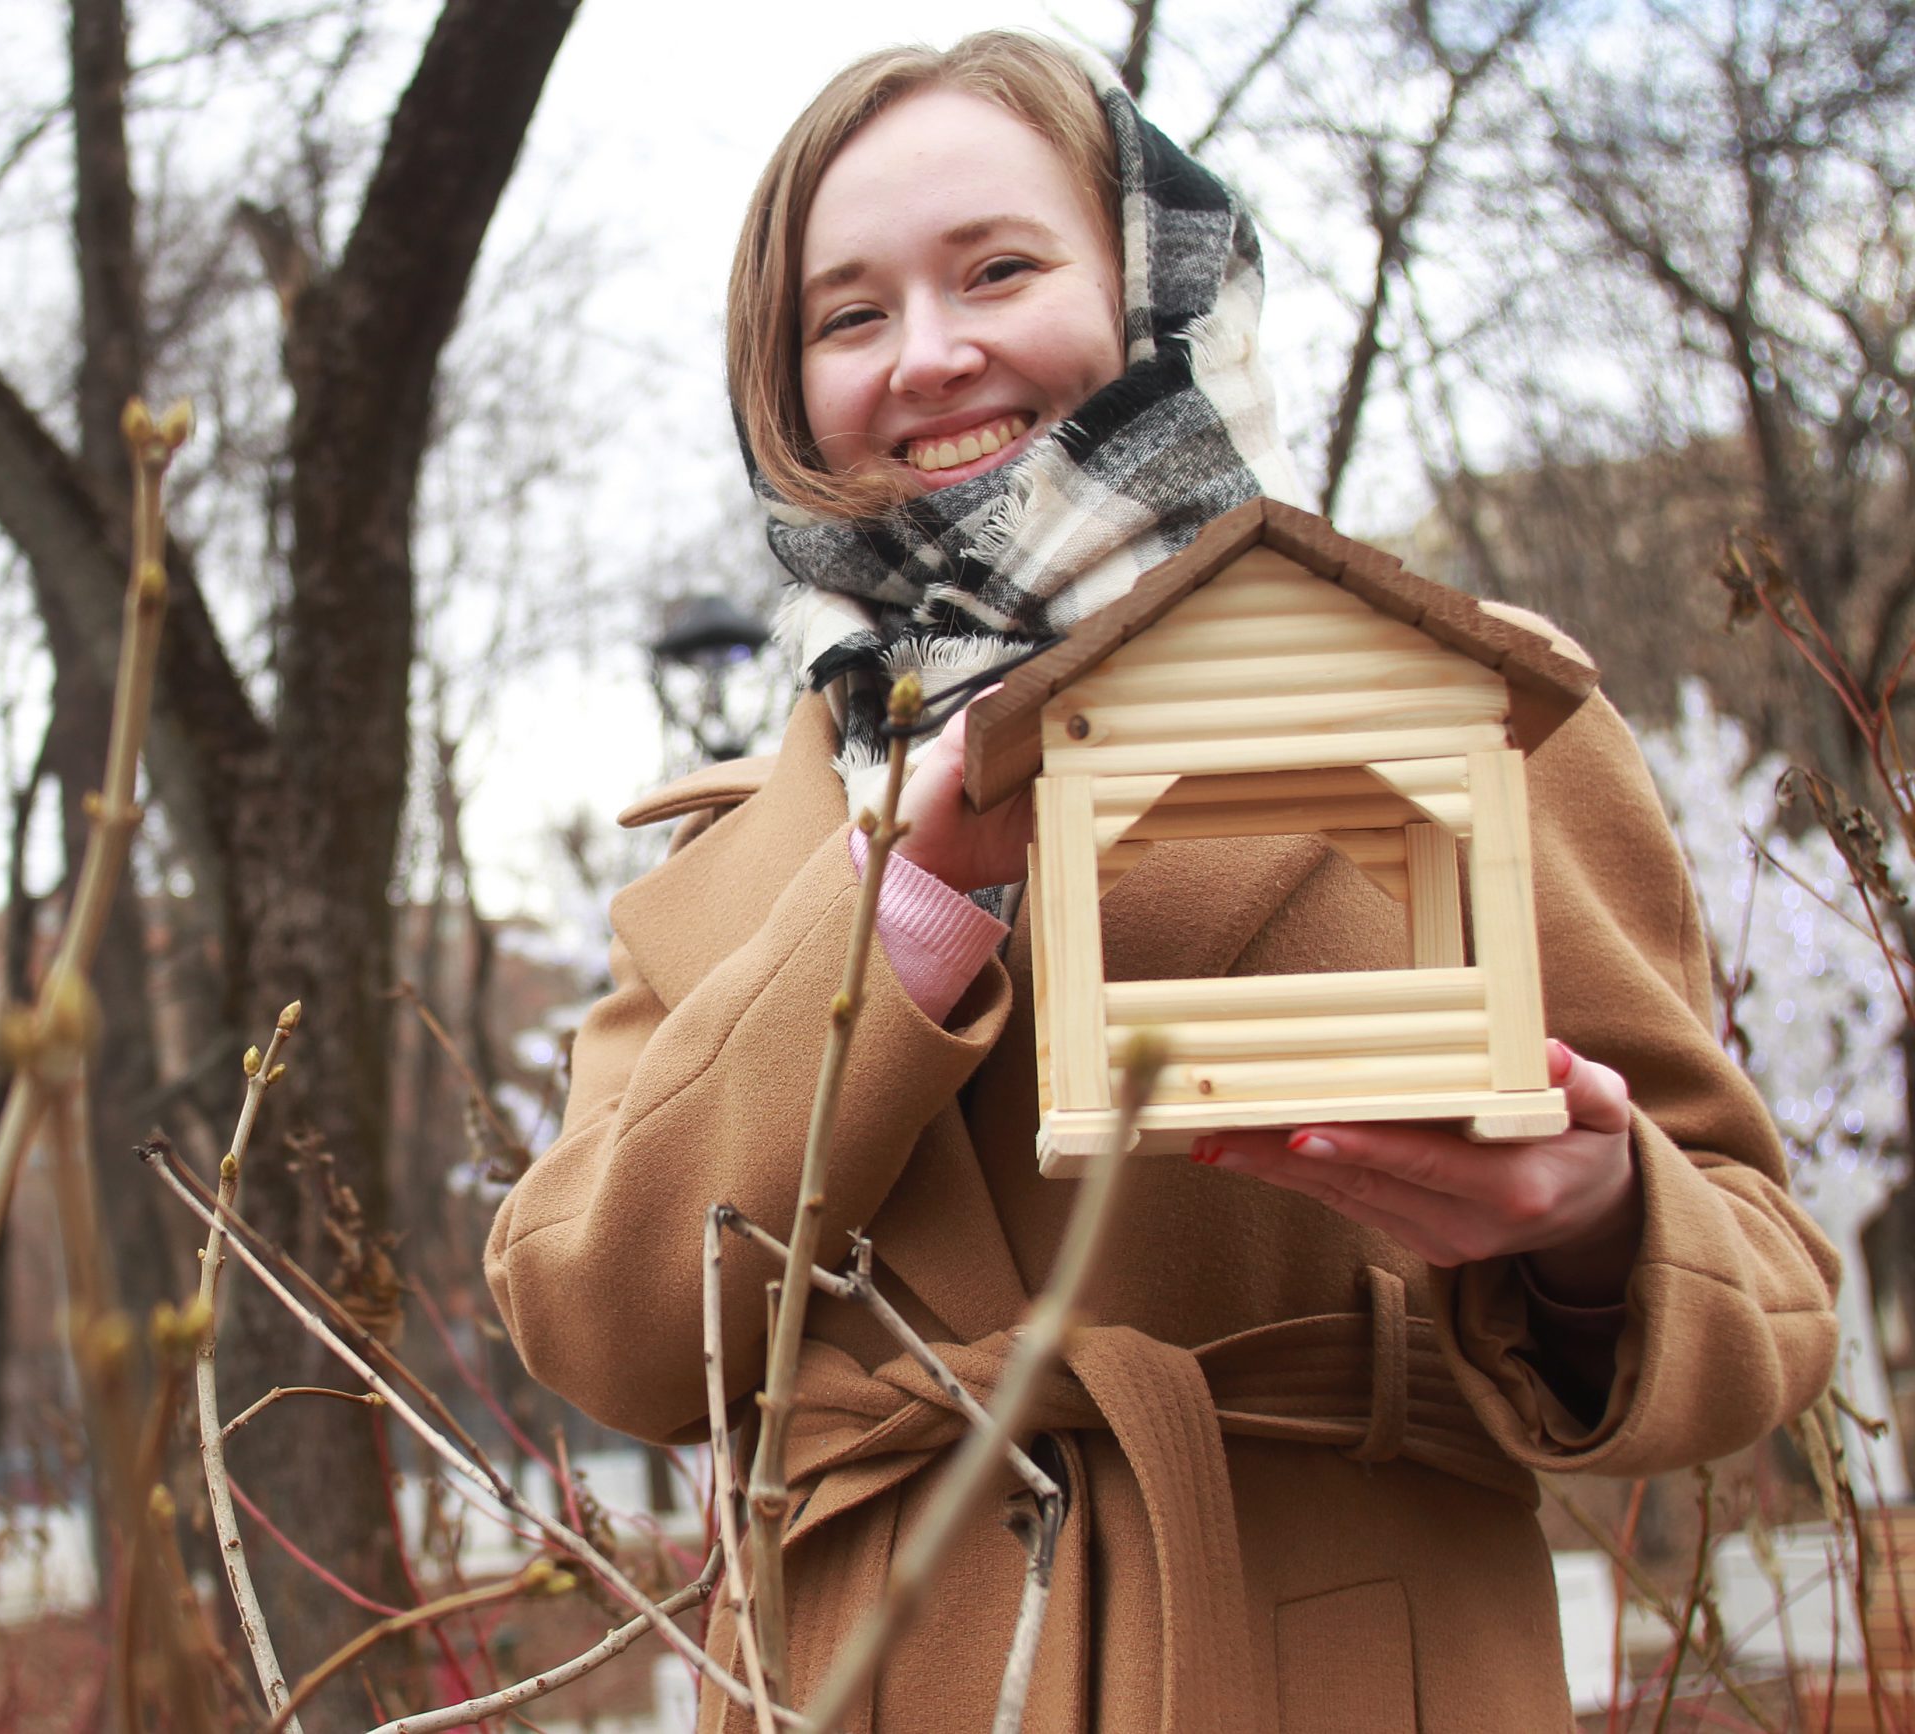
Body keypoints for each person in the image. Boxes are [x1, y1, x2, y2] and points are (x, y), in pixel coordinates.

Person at [485, 31, 1839, 1733]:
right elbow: (599, 1323)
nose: (931, 353)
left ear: (1145, 286)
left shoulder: (1456, 702)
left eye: (1000, 268)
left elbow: (1765, 1286)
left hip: (1334, 1658)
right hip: (879, 1677)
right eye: (848, 315)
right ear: (785, 380)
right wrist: (906, 903)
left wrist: (1592, 1226)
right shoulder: (742, 846)